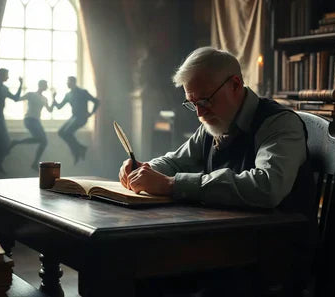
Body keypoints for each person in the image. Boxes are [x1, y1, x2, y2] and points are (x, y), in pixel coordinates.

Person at [118, 47, 316, 296]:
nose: (200, 113)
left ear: (235, 84)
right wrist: (143, 170)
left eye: (205, 101)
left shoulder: (279, 123)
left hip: (272, 259)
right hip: (226, 248)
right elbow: (176, 162)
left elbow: (267, 187)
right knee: (138, 272)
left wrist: (171, 185)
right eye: (193, 104)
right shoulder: (214, 122)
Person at [53, 76, 100, 164]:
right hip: (74, 117)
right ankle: (80, 148)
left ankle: (77, 152)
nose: (67, 84)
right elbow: (59, 107)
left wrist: (90, 113)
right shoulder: (68, 95)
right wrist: (54, 98)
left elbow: (96, 101)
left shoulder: (83, 92)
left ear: (74, 82)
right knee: (61, 132)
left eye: (69, 82)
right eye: (67, 82)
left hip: (81, 118)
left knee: (67, 133)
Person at [9, 80, 53, 170]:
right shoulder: (31, 94)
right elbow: (17, 99)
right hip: (29, 119)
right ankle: (34, 163)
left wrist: (54, 99)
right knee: (43, 140)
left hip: (36, 121)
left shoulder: (44, 99)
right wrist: (21, 84)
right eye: (45, 85)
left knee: (43, 141)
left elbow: (50, 110)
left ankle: (16, 142)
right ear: (40, 85)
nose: (46, 86)